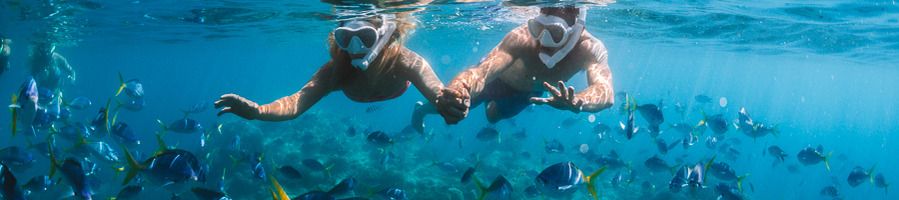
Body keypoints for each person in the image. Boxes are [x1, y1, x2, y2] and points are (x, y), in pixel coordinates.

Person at [215, 11, 444, 122]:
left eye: (365, 37)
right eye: (345, 38)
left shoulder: (404, 61)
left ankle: (419, 113)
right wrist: (259, 111)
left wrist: (449, 100)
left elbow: (438, 93)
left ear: (385, 37)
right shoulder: (336, 70)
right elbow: (296, 103)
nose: (354, 48)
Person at [424, 5, 615, 126]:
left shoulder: (589, 49)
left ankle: (486, 103)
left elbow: (605, 92)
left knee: (492, 118)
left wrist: (578, 101)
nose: (543, 39)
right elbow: (480, 74)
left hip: (526, 95)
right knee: (451, 106)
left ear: (576, 26)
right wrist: (460, 87)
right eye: (539, 28)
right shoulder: (522, 37)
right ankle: (422, 110)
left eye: (555, 33)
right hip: (495, 80)